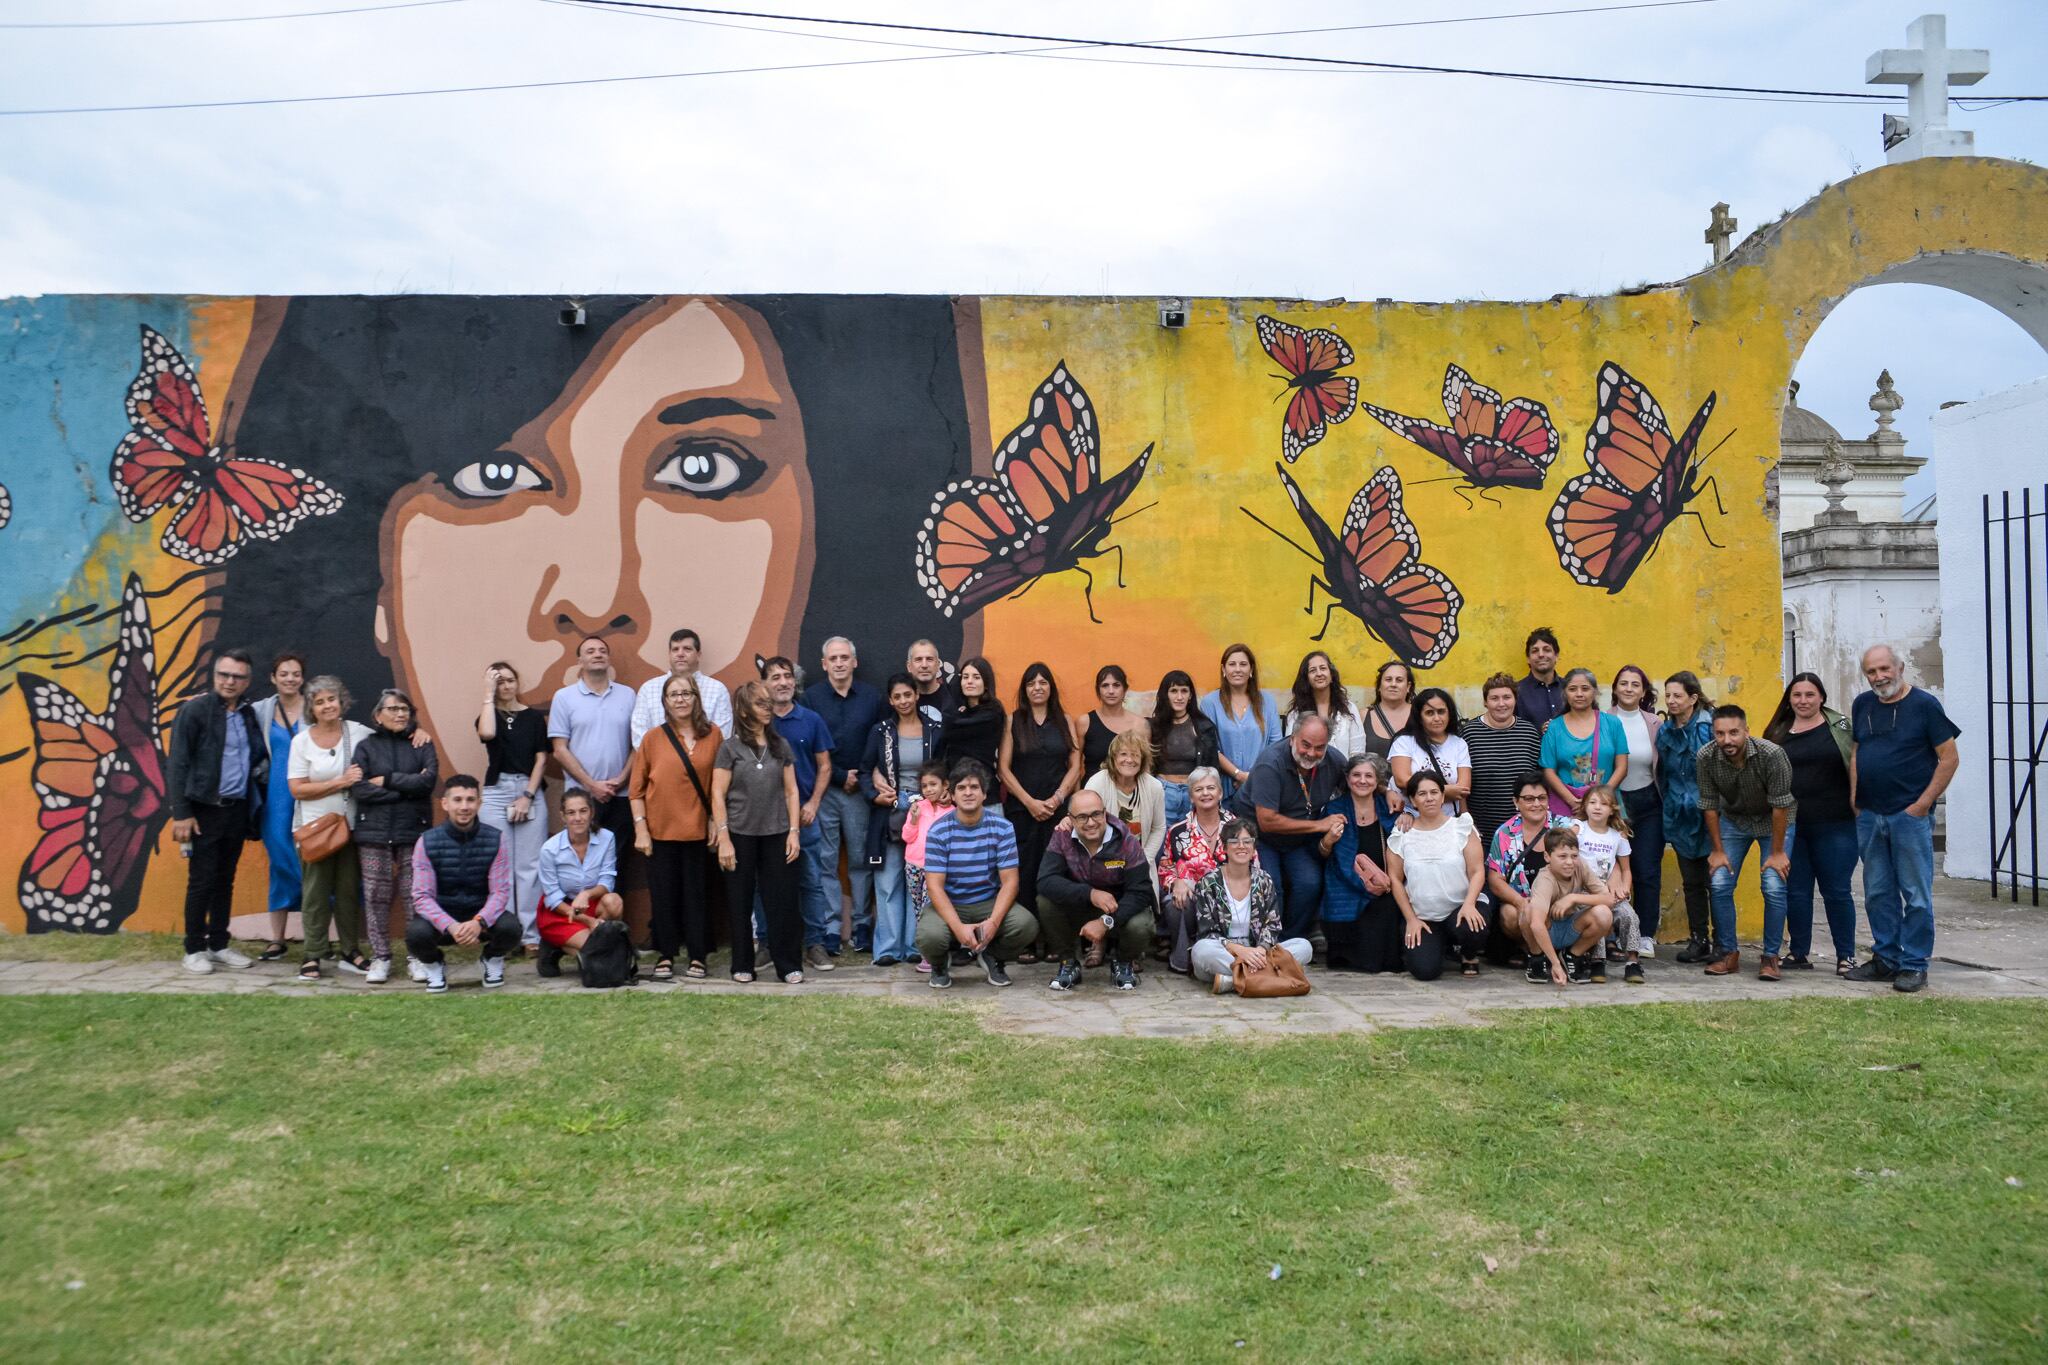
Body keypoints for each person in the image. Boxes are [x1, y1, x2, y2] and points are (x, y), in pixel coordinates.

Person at [1846, 644, 1960, 994]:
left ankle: (1914, 964)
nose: (1879, 677)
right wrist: (1854, 798)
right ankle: (1886, 959)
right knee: (1878, 893)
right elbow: (1856, 752)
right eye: (1871, 671)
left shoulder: (1925, 706)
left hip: (1908, 816)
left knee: (1916, 894)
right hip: (1870, 814)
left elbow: (1949, 758)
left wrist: (1923, 804)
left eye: (1884, 669)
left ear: (1900, 668)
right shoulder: (1863, 704)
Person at [169, 649, 265, 975]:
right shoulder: (194, 710)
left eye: (237, 676)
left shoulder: (248, 715)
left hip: (236, 810)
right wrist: (181, 813)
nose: (229, 681)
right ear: (214, 676)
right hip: (203, 811)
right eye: (224, 674)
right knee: (202, 881)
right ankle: (194, 948)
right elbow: (178, 763)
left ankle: (219, 944)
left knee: (226, 880)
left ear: (247, 681)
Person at [1764, 672, 1860, 975]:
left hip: (1837, 824)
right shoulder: (1777, 732)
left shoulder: (1841, 727)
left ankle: (1846, 955)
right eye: (1797, 695)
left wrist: (1859, 802)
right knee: (1796, 891)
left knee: (1837, 891)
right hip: (1792, 827)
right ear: (1789, 699)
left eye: (1809, 695)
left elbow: (1857, 761)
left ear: (1821, 698)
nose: (1803, 700)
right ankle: (1799, 953)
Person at [713, 680, 806, 984]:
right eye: (760, 703)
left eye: (769, 703)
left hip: (777, 832)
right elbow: (717, 794)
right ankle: (742, 964)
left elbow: (792, 792)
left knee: (782, 901)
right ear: (743, 709)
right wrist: (724, 838)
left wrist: (793, 832)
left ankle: (788, 964)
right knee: (739, 901)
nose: (768, 708)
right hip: (739, 834)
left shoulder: (781, 746)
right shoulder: (729, 748)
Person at [629, 672, 720, 981]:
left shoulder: (714, 735)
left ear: (696, 698)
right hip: (659, 833)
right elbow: (636, 790)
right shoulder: (653, 739)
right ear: (665, 702)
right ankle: (665, 954)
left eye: (686, 693)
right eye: (674, 695)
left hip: (698, 832)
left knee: (697, 896)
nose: (681, 699)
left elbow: (719, 787)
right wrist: (641, 829)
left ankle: (697, 955)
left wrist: (716, 823)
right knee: (663, 896)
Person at [914, 759, 1034, 990]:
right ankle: (940, 965)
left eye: (974, 787)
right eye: (961, 788)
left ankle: (993, 958)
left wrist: (993, 922)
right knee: (929, 935)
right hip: (951, 902)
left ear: (984, 794)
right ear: (952, 794)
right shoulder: (938, 831)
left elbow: (1010, 882)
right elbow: (934, 887)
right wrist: (959, 929)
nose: (968, 793)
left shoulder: (1002, 827)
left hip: (987, 901)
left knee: (1025, 924)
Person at [1696, 704, 1797, 979]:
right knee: (1719, 882)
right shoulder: (1706, 757)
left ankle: (1771, 956)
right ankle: (1729, 953)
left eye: (1733, 733)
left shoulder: (1772, 755)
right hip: (1734, 820)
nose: (1727, 740)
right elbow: (1708, 805)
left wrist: (1777, 853)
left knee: (1774, 885)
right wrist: (1717, 851)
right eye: (1720, 734)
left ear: (1746, 731)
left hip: (1773, 821)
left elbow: (1780, 805)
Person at [1229, 714, 1347, 941]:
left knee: (1310, 883)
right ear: (1293, 738)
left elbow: (1356, 781)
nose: (1311, 753)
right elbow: (1267, 821)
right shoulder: (1270, 763)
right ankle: (1267, 941)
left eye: (1319, 748)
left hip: (1298, 839)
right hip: (1259, 836)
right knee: (1271, 884)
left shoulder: (1333, 759)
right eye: (1306, 745)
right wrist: (1318, 825)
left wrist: (1385, 791)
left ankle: (1292, 939)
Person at [803, 636, 887, 954]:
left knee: (859, 860)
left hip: (860, 792)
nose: (839, 663)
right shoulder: (810, 699)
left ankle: (863, 925)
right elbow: (809, 746)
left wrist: (861, 777)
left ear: (855, 662)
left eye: (844, 657)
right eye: (833, 658)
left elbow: (881, 741)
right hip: (824, 791)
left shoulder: (871, 697)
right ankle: (831, 928)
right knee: (825, 861)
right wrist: (840, 776)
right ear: (824, 664)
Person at [285, 675, 370, 982]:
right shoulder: (302, 741)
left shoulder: (358, 732)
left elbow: (391, 736)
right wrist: (339, 783)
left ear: (341, 701)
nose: (327, 706)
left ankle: (351, 951)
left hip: (348, 827)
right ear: (311, 708)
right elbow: (296, 789)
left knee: (348, 892)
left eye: (331, 699)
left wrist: (419, 733)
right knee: (315, 894)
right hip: (313, 829)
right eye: (319, 702)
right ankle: (313, 954)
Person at [351, 688, 438, 985]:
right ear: (378, 715)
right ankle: (381, 957)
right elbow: (359, 787)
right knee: (376, 896)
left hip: (413, 830)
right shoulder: (366, 747)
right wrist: (403, 791)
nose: (401, 714)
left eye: (405, 709)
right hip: (373, 832)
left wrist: (387, 781)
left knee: (415, 895)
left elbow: (427, 782)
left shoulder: (422, 743)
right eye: (393, 709)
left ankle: (417, 956)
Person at [407, 774, 520, 993]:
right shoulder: (426, 841)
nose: (464, 806)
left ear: (479, 803)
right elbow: (422, 896)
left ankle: (492, 960)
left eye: (470, 799)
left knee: (511, 928)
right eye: (458, 800)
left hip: (479, 915)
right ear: (445, 803)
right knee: (416, 934)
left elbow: (500, 892)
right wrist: (451, 926)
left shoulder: (496, 838)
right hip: (443, 917)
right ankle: (434, 965)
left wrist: (479, 921)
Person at [998, 662, 1079, 965]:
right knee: (1025, 872)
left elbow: (1074, 765)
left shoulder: (1064, 720)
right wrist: (1030, 802)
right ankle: (1028, 939)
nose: (1037, 687)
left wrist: (1058, 799)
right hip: (1022, 811)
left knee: (1057, 873)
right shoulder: (1013, 721)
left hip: (1057, 812)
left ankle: (1057, 941)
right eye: (1031, 683)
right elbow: (1003, 768)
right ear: (1024, 689)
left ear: (1051, 688)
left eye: (1043, 682)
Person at [863, 674, 945, 967]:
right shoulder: (881, 731)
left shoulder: (935, 730)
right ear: (890, 700)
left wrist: (939, 795)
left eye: (907, 695)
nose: (903, 701)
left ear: (916, 695)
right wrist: (875, 793)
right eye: (897, 697)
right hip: (889, 812)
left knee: (920, 882)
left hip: (928, 815)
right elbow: (865, 770)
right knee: (887, 880)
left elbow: (944, 769)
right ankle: (887, 947)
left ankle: (915, 944)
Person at [1038, 788, 1154, 992]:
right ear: (1070, 819)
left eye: (1096, 814)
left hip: (1118, 909)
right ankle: (1068, 963)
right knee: (1045, 902)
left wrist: (1106, 921)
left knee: (1142, 923)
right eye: (1082, 817)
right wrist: (1089, 894)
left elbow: (1142, 891)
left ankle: (1123, 962)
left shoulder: (1125, 839)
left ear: (1105, 813)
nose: (1090, 822)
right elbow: (1046, 880)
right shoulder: (1062, 836)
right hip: (1080, 905)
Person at [761, 656, 835, 969]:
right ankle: (765, 942)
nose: (782, 682)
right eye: (775, 677)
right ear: (765, 684)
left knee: (811, 882)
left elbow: (825, 765)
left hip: (804, 817)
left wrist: (814, 803)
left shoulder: (811, 720)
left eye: (787, 676)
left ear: (795, 681)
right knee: (763, 883)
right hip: (764, 819)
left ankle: (815, 943)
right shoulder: (758, 722)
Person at [1189, 819, 1316, 994]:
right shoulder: (1208, 882)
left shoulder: (1264, 880)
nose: (1241, 846)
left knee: (1304, 946)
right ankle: (1273, 976)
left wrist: (1260, 950)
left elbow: (1272, 925)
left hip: (1259, 952)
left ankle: (1233, 981)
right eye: (1234, 841)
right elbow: (1207, 931)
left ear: (1254, 847)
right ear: (1224, 848)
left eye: (1247, 841)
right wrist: (1240, 951)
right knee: (1201, 951)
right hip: (1226, 951)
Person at [1384, 770, 1489, 980]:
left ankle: (1468, 953)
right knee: (1425, 971)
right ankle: (1439, 947)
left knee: (1471, 928)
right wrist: (1411, 919)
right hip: (1424, 916)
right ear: (1413, 800)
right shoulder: (1401, 834)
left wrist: (1469, 904)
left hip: (1460, 908)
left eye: (1434, 792)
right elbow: (1395, 879)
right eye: (1422, 794)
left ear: (1443, 796)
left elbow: (1477, 871)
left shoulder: (1462, 827)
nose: (1429, 798)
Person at [476, 661, 550, 951]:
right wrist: (487, 695)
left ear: (517, 682)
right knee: (499, 866)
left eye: (509, 680)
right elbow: (487, 735)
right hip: (496, 793)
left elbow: (541, 758)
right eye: (499, 682)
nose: (505, 686)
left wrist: (528, 796)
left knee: (530, 865)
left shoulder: (532, 717)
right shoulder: (487, 714)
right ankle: (504, 935)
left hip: (528, 789)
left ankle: (530, 935)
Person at [547, 635, 637, 847]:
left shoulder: (628, 695)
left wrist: (621, 779)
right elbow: (559, 750)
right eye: (590, 651)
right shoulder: (563, 697)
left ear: (609, 659)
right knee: (582, 857)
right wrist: (592, 785)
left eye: (602, 651)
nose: (598, 654)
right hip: (580, 797)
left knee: (618, 860)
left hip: (621, 794)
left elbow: (638, 745)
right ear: (579, 661)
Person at [1658, 671, 1718, 964]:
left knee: (1716, 882)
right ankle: (1699, 940)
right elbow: (1663, 775)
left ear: (1693, 698)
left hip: (1710, 817)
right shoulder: (1665, 732)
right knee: (1692, 882)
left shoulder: (1709, 728)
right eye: (1667, 695)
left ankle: (1723, 941)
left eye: (1677, 695)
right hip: (1679, 816)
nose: (1671, 701)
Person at [250, 652, 307, 961]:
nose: (290, 678)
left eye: (295, 673)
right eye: (284, 673)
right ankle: (277, 938)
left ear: (302, 678)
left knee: (315, 856)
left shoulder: (314, 707)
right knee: (280, 858)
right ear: (273, 678)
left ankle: (317, 929)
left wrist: (413, 730)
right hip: (275, 796)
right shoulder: (260, 710)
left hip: (310, 793)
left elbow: (351, 732)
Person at [1319, 754, 1399, 971]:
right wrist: (1329, 840)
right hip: (1345, 882)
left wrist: (1408, 816)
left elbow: (1402, 847)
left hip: (1383, 885)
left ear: (1377, 781)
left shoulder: (1388, 808)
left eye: (1368, 776)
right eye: (1356, 775)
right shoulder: (1335, 809)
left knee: (1390, 906)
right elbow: (1322, 854)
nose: (1362, 781)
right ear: (1347, 778)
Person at [535, 788, 625, 976]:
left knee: (614, 901)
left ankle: (585, 945)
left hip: (590, 904)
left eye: (583, 811)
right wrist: (589, 921)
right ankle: (554, 947)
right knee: (594, 948)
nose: (578, 818)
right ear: (563, 816)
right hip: (561, 911)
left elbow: (607, 880)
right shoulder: (549, 849)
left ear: (591, 812)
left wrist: (586, 894)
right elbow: (553, 897)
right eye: (571, 812)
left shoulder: (607, 838)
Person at [1487, 774, 1572, 973]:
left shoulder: (1565, 828)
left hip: (1558, 903)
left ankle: (1568, 953)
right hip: (1523, 902)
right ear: (1516, 801)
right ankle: (1529, 949)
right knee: (1509, 914)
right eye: (1529, 799)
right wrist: (1520, 902)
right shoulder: (1505, 833)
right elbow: (1495, 879)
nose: (1536, 804)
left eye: (1541, 798)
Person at [1608, 664, 1664, 953]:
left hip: (1649, 803)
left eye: (1635, 684)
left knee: (1646, 870)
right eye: (1624, 683)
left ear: (1643, 691)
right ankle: (1615, 934)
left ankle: (1645, 935)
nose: (1629, 688)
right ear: (1615, 688)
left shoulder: (1655, 723)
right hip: (1614, 804)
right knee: (1610, 869)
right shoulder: (1603, 721)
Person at [1083, 730, 1167, 916]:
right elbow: (1085, 822)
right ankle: (1099, 941)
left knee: (1140, 921)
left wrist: (1144, 858)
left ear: (1143, 759)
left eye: (1135, 754)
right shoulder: (1096, 783)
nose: (1129, 760)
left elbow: (1159, 827)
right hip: (1102, 862)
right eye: (1123, 754)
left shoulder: (1154, 786)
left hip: (1139, 863)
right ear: (1113, 758)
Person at [1157, 767, 1229, 974]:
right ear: (1191, 796)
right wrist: (1176, 881)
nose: (1205, 793)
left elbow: (1253, 867)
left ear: (1220, 793)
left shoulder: (1236, 827)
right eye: (1198, 789)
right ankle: (1182, 958)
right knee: (1174, 902)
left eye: (1210, 788)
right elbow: (1166, 869)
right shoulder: (1178, 831)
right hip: (1190, 896)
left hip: (1228, 898)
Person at [1522, 827, 1616, 987]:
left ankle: (1573, 955)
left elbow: (1609, 899)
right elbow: (1537, 924)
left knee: (1604, 913)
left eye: (1574, 856)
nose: (1569, 862)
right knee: (1529, 910)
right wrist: (1555, 965)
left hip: (1571, 927)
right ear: (1547, 857)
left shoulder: (1580, 866)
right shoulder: (1545, 878)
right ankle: (1537, 956)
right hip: (1547, 930)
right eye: (1562, 856)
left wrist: (1573, 898)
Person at [1461, 672, 1543, 854]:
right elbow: (1461, 784)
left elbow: (1538, 780)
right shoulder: (1469, 734)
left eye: (1507, 697)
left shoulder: (1529, 733)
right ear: (1485, 702)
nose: (1501, 704)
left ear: (1515, 699)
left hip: (1522, 828)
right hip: (1481, 829)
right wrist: (1467, 822)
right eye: (1494, 698)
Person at [1572, 786, 1644, 984]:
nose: (1597, 807)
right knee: (1598, 916)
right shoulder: (1578, 829)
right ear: (1585, 805)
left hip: (1610, 892)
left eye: (1603, 804)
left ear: (1612, 809)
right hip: (1585, 893)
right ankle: (1597, 961)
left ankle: (1633, 961)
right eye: (1593, 802)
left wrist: (1625, 889)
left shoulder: (1617, 836)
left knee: (1629, 915)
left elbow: (1626, 869)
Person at [1539, 668, 1628, 818]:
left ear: (1594, 692)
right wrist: (1572, 802)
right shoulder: (1554, 727)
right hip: (1567, 809)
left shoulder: (1613, 724)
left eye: (1585, 688)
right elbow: (1548, 770)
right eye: (1572, 689)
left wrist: (1601, 798)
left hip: (1606, 808)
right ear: (1565, 693)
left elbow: (1622, 767)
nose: (1579, 694)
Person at [1199, 643, 1281, 800]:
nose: (1237, 669)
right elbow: (1210, 748)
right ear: (1223, 670)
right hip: (1223, 789)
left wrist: (1252, 777)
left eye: (1243, 664)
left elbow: (1275, 745)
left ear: (1251, 670)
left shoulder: (1267, 701)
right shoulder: (1210, 703)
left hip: (1260, 786)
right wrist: (1238, 775)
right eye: (1232, 664)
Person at [630, 627, 734, 744]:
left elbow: (722, 736)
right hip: (658, 761)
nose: (680, 654)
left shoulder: (717, 689)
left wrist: (696, 756)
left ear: (698, 655)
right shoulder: (648, 689)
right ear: (669, 654)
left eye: (687, 649)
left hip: (704, 761)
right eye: (675, 649)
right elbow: (639, 735)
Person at [1148, 670, 1220, 829]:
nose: (1179, 697)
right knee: (1162, 845)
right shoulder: (1153, 727)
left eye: (1184, 691)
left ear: (1190, 696)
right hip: (1163, 792)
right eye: (1173, 691)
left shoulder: (1204, 726)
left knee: (1191, 845)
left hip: (1194, 793)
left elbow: (1212, 766)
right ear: (1165, 695)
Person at [900, 761, 952, 974]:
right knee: (918, 909)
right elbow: (906, 836)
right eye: (925, 786)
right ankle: (926, 953)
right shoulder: (917, 807)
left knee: (930, 909)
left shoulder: (951, 810)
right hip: (913, 865)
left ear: (945, 785)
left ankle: (933, 955)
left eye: (933, 784)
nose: (929, 789)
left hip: (936, 868)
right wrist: (913, 819)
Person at [1389, 687, 1473, 816]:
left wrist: (1421, 791)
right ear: (1419, 717)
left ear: (1449, 713)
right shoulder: (1404, 742)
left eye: (1441, 712)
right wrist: (1445, 791)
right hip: (1412, 819)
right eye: (1429, 713)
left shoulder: (1459, 744)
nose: (1437, 718)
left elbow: (1463, 789)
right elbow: (1401, 780)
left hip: (1449, 822)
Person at [938, 657, 1006, 797]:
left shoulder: (993, 712)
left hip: (985, 793)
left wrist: (954, 718)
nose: (969, 681)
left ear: (986, 683)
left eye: (976, 677)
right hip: (956, 792)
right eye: (965, 677)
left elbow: (949, 728)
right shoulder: (959, 711)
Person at [1283, 651, 1367, 759]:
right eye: (1313, 670)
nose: (1319, 674)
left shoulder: (1349, 709)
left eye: (1323, 668)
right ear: (1307, 678)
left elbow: (1358, 754)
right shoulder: (1296, 713)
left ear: (1331, 675)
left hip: (1342, 774)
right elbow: (1292, 750)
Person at [1075, 664, 1144, 776]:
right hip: (1093, 791)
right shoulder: (1085, 722)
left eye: (1116, 685)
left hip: (1127, 791)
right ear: (1098, 690)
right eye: (1105, 685)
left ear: (1125, 689)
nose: (1111, 691)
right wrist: (1078, 793)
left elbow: (1145, 768)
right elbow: (1075, 766)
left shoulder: (1140, 725)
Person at [1359, 661, 1415, 763]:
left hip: (1411, 778)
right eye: (1388, 679)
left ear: (1408, 687)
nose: (1393, 684)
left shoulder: (1420, 715)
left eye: (1399, 680)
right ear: (1379, 686)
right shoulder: (1363, 716)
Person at [1515, 626, 1565, 726]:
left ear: (1556, 656)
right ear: (1528, 658)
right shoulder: (1516, 691)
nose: (1541, 654)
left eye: (1547, 650)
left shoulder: (1570, 688)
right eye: (1535, 651)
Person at [906, 638, 959, 718]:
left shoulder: (955, 698)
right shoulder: (901, 702)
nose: (924, 665)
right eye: (918, 660)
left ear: (938, 665)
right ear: (909, 666)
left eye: (929, 659)